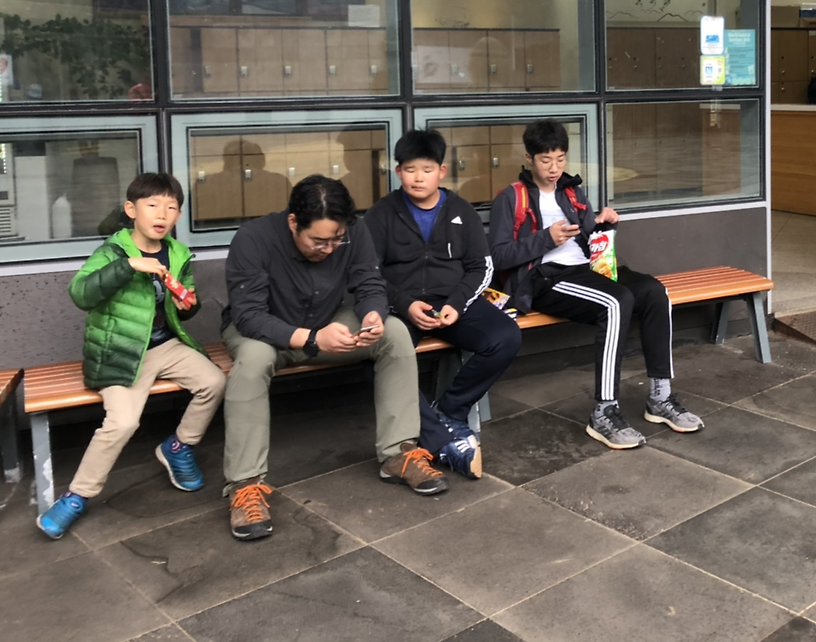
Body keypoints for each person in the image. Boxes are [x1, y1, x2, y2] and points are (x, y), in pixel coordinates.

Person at [221, 174, 446, 543]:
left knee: (393, 332)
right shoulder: (253, 238)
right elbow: (248, 315)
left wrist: (372, 315)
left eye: (336, 240)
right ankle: (245, 485)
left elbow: (369, 282)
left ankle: (399, 453)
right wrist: (311, 338)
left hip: (326, 320)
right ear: (293, 222)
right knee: (252, 361)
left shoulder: (352, 232)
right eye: (319, 241)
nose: (329, 248)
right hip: (265, 330)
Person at [489, 118, 702, 450]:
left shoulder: (571, 191)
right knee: (616, 302)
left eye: (560, 159)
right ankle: (604, 412)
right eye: (546, 160)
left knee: (654, 291)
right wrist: (546, 238)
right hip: (545, 278)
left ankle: (660, 397)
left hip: (588, 269)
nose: (554, 168)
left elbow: (591, 240)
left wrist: (604, 226)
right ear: (529, 158)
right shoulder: (511, 198)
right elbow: (499, 256)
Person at [37, 173, 224, 539]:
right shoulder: (113, 251)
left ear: (179, 215)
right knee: (122, 423)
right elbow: (80, 294)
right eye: (152, 205)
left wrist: (188, 304)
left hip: (165, 344)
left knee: (214, 382)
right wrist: (129, 266)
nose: (162, 214)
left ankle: (178, 447)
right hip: (120, 350)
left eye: (171, 207)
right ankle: (77, 496)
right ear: (131, 209)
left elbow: (186, 302)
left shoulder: (178, 252)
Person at [364, 129, 521, 480]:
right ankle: (441, 435)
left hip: (452, 302)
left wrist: (457, 303)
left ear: (442, 171)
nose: (418, 177)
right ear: (398, 171)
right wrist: (405, 304)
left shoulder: (460, 210)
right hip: (401, 307)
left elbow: (480, 266)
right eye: (410, 169)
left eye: (427, 169)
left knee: (506, 336)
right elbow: (367, 273)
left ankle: (448, 410)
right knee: (380, 355)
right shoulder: (381, 215)